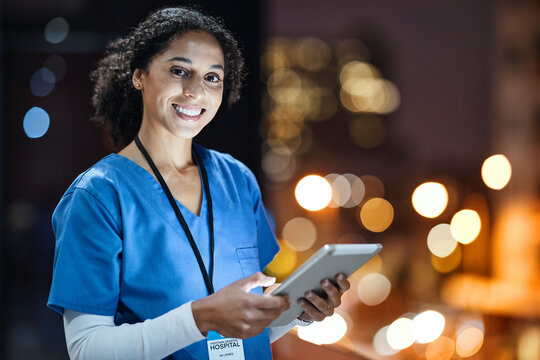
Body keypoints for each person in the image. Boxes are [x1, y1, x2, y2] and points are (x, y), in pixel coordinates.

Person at [47, 6, 350, 360]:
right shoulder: (98, 196)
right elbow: (87, 350)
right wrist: (200, 317)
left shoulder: (237, 181)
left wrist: (299, 311)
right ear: (139, 76)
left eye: (212, 78)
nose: (195, 91)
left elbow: (247, 331)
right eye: (179, 71)